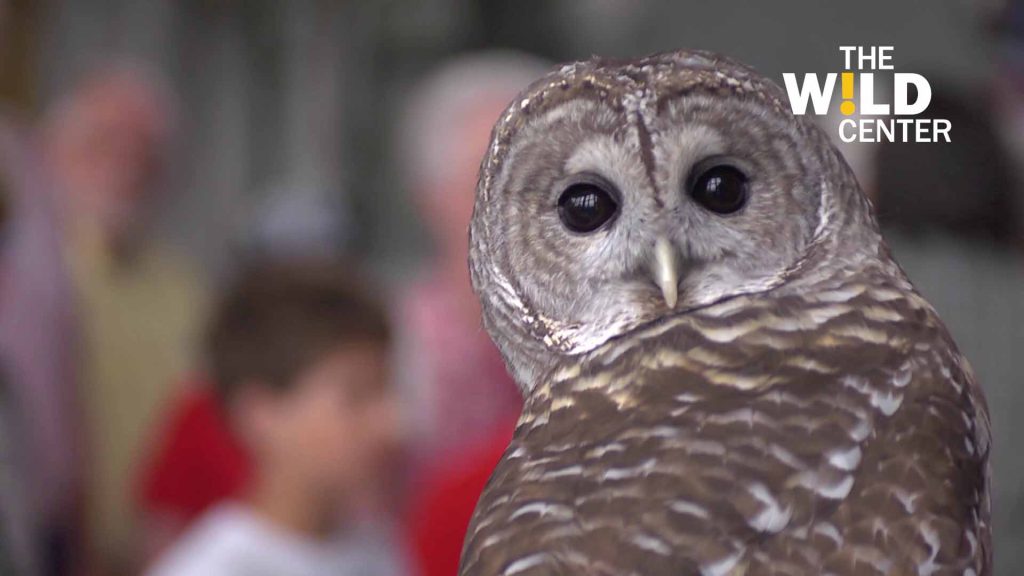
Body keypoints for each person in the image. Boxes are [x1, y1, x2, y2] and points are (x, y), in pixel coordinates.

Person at [39, 60, 208, 573]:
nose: (125, 166)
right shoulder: (29, 280)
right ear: (52, 154)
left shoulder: (183, 287)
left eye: (144, 152)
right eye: (102, 145)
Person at [146, 263, 408, 576]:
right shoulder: (211, 568)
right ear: (260, 414)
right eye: (356, 395)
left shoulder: (378, 549)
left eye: (386, 389)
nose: (392, 423)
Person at [394, 50, 548, 576]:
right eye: (487, 182)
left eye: (547, 183)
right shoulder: (391, 350)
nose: (520, 209)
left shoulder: (613, 346)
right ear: (427, 199)